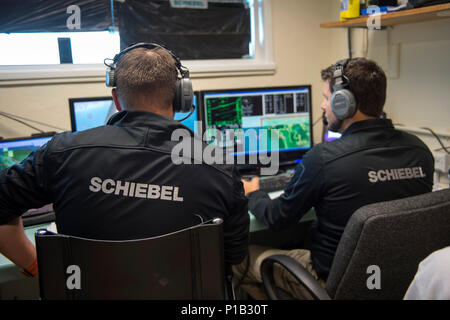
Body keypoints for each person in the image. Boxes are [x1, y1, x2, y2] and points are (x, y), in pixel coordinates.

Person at [0, 44, 249, 278]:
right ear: (180, 99)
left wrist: (37, 267)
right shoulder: (219, 166)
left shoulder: (60, 152)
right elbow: (233, 254)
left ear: (116, 100)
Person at [235, 57, 434, 300]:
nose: (322, 106)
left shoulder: (324, 159)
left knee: (239, 257)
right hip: (395, 281)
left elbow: (277, 218)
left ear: (344, 104)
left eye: (326, 98)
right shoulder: (419, 151)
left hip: (331, 283)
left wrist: (254, 192)